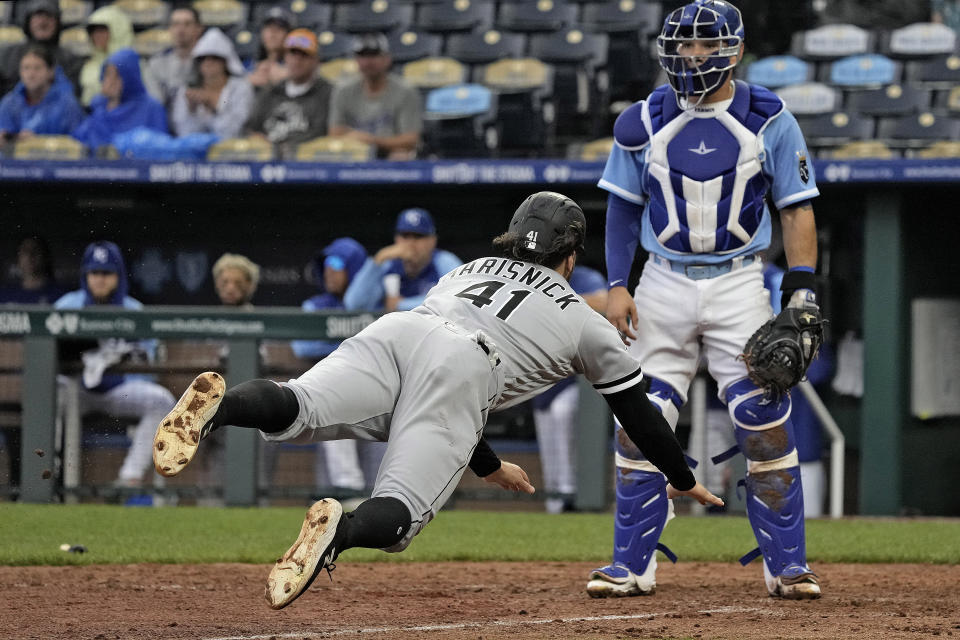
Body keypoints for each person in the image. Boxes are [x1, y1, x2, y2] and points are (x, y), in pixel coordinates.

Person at [152, 191, 722, 610]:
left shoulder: (467, 269)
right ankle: (338, 533)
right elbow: (638, 412)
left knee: (297, 401)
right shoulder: (585, 321)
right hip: (466, 363)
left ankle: (219, 409)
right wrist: (679, 472)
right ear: (570, 257)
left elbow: (435, 375)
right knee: (399, 514)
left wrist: (491, 466)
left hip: (400, 330)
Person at [588, 0, 823, 600]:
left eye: (705, 45)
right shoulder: (641, 120)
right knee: (641, 420)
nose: (693, 56)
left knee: (761, 417)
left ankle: (787, 565)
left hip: (740, 278)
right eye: (683, 45)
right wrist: (617, 283)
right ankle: (630, 564)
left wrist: (800, 289)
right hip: (660, 280)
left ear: (736, 50)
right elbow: (621, 207)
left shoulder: (771, 117)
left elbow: (796, 207)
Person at [54, 241, 175, 488]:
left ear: (118, 276)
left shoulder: (134, 310)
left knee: (161, 401)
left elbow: (147, 365)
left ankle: (130, 477)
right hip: (74, 391)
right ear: (85, 275)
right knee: (47, 397)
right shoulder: (67, 306)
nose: (100, 279)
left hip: (119, 391)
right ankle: (51, 474)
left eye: (107, 273)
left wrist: (118, 366)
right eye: (94, 272)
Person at [291, 238, 379, 502]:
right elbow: (302, 347)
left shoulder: (375, 304)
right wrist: (348, 338)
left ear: (354, 268)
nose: (330, 270)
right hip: (331, 385)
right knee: (333, 405)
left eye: (338, 264)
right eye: (326, 264)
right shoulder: (315, 305)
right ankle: (349, 490)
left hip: (373, 384)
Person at [530, 265, 608, 514]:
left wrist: (553, 302)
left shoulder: (585, 276)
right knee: (548, 436)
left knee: (563, 412)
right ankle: (556, 503)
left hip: (579, 377)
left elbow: (604, 301)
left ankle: (569, 494)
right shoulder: (531, 276)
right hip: (545, 376)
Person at [0, 236, 67, 499]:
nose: (29, 258)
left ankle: (36, 489)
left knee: (33, 424)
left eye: (35, 252)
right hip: (6, 381)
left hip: (42, 380)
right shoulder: (7, 294)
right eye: (24, 252)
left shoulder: (58, 296)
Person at [344, 208, 460, 312]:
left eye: (418, 236)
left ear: (433, 240)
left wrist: (401, 304)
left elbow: (458, 299)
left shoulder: (444, 261)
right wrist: (377, 262)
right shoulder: (387, 264)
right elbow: (353, 305)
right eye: (405, 236)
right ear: (396, 239)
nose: (411, 243)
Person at [328, 32, 422, 160]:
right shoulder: (343, 90)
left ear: (387, 59)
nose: (367, 62)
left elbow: (410, 139)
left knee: (400, 156)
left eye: (374, 55)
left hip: (388, 155)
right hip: (352, 156)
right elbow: (335, 133)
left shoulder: (405, 91)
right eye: (362, 56)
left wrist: (371, 141)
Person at [243, 28, 332, 158]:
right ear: (285, 57)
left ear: (315, 60)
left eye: (304, 55)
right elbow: (250, 129)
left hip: (306, 164)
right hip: (267, 162)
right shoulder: (270, 91)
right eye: (292, 54)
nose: (297, 60)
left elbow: (321, 133)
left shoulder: (326, 92)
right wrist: (263, 144)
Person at [72, 48, 168, 153]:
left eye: (117, 76)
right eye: (107, 75)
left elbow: (160, 148)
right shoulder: (99, 107)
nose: (110, 82)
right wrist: (112, 104)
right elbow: (79, 140)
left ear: (130, 77)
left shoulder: (152, 108)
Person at [171, 27, 254, 139]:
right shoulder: (187, 90)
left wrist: (212, 106)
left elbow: (234, 130)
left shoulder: (241, 87)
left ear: (225, 61)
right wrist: (192, 110)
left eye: (214, 58)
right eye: (203, 58)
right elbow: (183, 133)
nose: (208, 63)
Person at [79, 4, 159, 108]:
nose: (96, 35)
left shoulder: (137, 65)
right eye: (93, 31)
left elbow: (150, 98)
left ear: (117, 30)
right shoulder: (89, 66)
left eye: (102, 30)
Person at [0, 0, 83, 99]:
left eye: (48, 17)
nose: (43, 22)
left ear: (57, 22)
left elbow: (72, 95)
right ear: (28, 21)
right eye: (38, 16)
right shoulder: (7, 55)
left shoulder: (70, 59)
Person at [0, 45, 84, 141]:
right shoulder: (9, 103)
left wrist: (38, 142)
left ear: (51, 71)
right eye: (26, 68)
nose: (31, 74)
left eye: (37, 68)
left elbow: (79, 144)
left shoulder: (68, 105)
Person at [147, 5, 205, 109]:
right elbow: (156, 104)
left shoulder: (211, 62)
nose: (181, 30)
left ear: (199, 28)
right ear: (169, 29)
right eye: (176, 24)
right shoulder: (156, 63)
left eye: (187, 24)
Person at [246, 6, 293, 90]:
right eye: (269, 28)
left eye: (279, 28)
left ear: (289, 35)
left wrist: (287, 75)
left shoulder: (296, 63)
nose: (273, 33)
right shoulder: (249, 63)